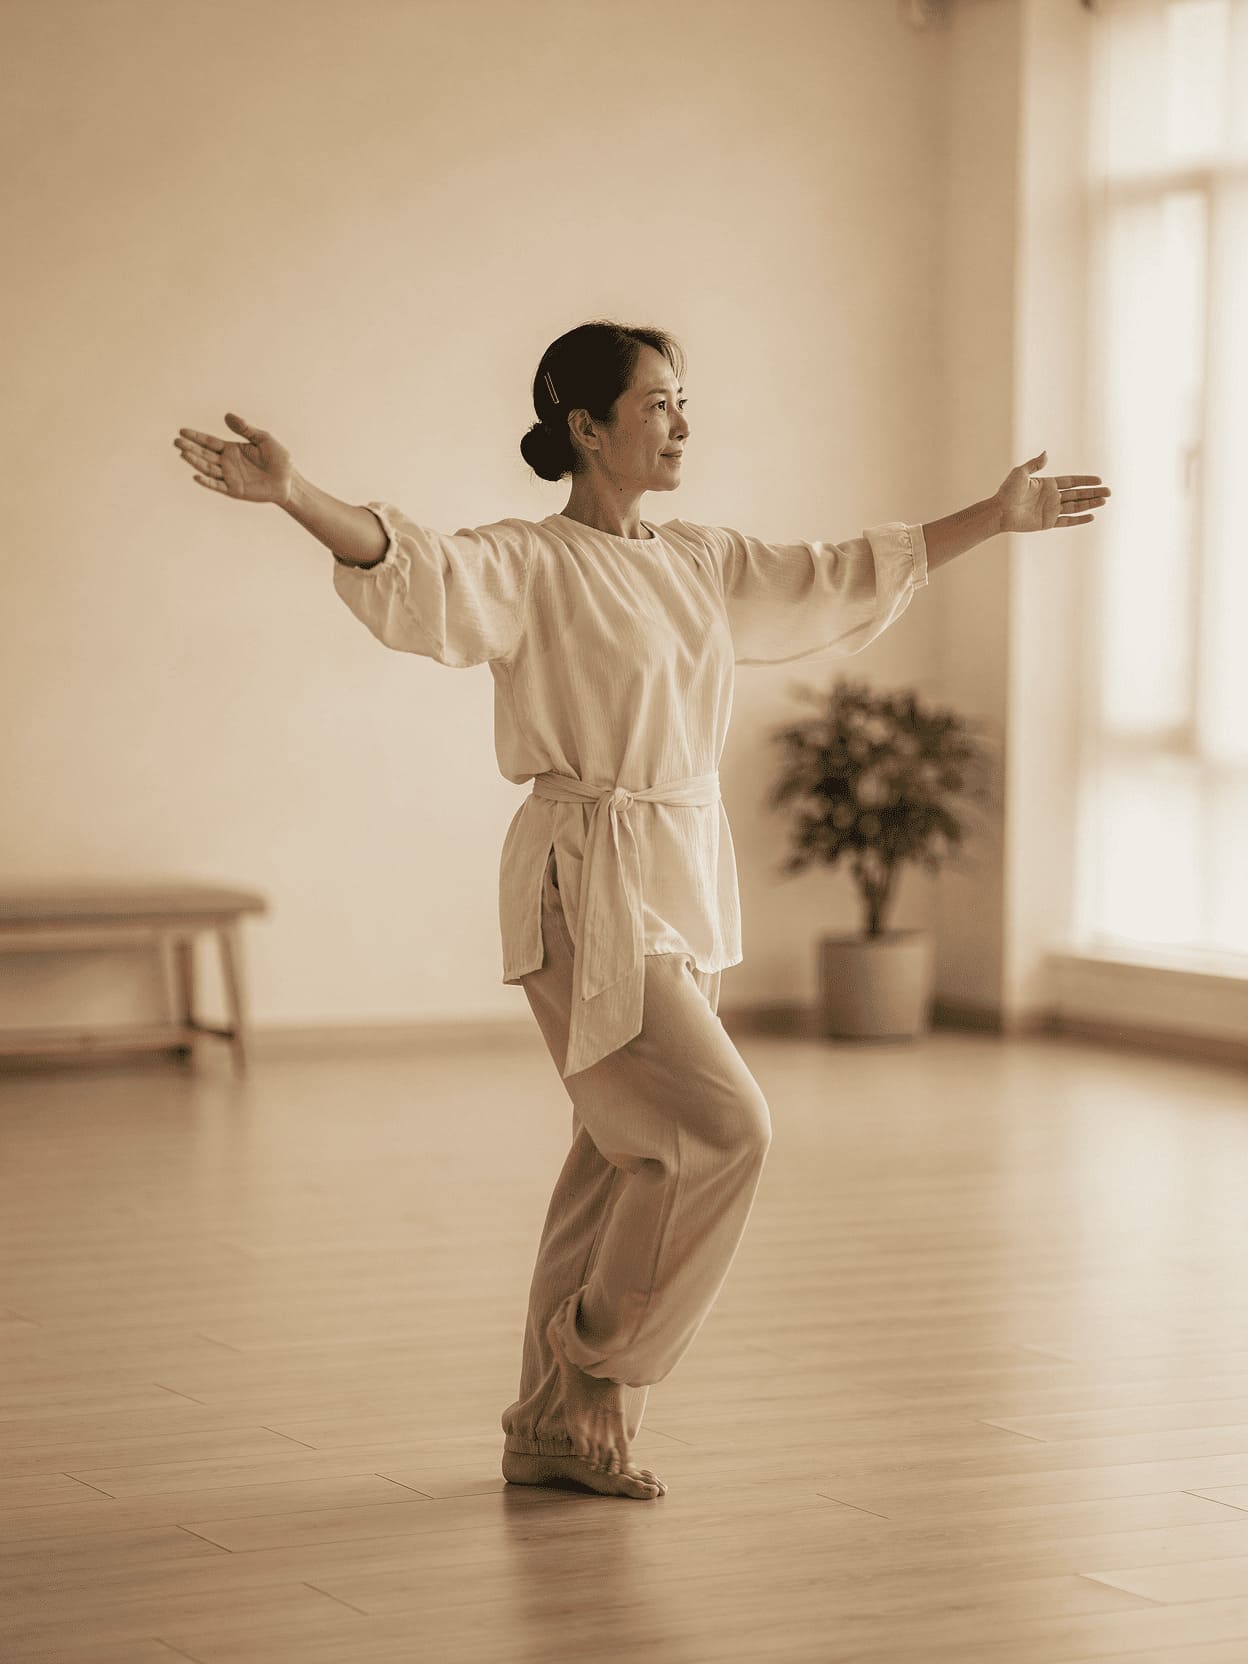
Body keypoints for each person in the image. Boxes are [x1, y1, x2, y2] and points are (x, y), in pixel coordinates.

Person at [172, 318, 936, 1504]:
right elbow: (416, 566)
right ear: (586, 427)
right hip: (585, 878)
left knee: (619, 1149)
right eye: (658, 402)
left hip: (675, 875)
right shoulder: (530, 560)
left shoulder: (697, 559)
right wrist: (294, 493)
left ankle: (544, 1425)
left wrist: (996, 516)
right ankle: (592, 1381)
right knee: (723, 1130)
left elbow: (834, 574)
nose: (681, 420)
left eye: (685, 400)